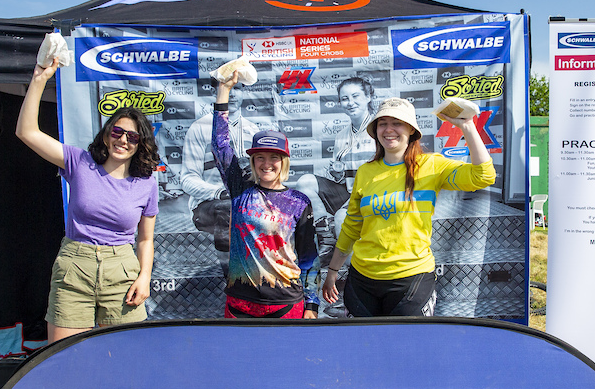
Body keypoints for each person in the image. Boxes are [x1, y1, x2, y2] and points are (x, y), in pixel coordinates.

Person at [16, 57, 160, 342]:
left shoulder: (146, 183)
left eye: (132, 136)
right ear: (106, 136)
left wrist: (144, 277)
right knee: (66, 359)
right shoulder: (79, 162)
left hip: (122, 271)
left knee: (125, 357)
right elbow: (27, 132)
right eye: (117, 132)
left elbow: (145, 240)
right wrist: (39, 79)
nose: (123, 140)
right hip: (74, 267)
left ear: (140, 143)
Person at [321, 97, 495, 317]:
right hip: (362, 280)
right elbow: (352, 227)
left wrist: (467, 127)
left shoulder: (431, 165)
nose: (389, 129)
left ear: (411, 130)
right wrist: (333, 271)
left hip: (412, 278)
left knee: (408, 348)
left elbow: (484, 176)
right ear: (375, 131)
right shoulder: (365, 172)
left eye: (397, 123)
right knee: (365, 348)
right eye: (383, 123)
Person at [212, 72, 321, 319]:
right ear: (252, 161)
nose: (267, 163)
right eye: (260, 156)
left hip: (285, 304)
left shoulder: (299, 202)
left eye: (274, 157)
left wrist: (312, 305)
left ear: (284, 161)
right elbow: (220, 146)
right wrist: (223, 91)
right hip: (240, 304)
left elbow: (309, 258)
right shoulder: (240, 190)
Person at [297, 77, 377, 258]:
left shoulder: (380, 130)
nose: (350, 102)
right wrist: (338, 174)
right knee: (305, 182)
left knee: (343, 218)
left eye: (355, 96)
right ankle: (325, 232)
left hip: (371, 195)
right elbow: (342, 178)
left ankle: (353, 274)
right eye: (345, 98)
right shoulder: (341, 136)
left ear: (368, 97)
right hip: (348, 194)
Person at [180, 79, 258, 254]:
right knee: (228, 207)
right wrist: (219, 193)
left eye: (237, 88)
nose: (233, 93)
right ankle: (232, 273)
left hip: (244, 205)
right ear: (215, 92)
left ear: (244, 92)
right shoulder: (199, 127)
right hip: (209, 206)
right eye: (228, 88)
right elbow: (187, 179)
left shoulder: (252, 130)